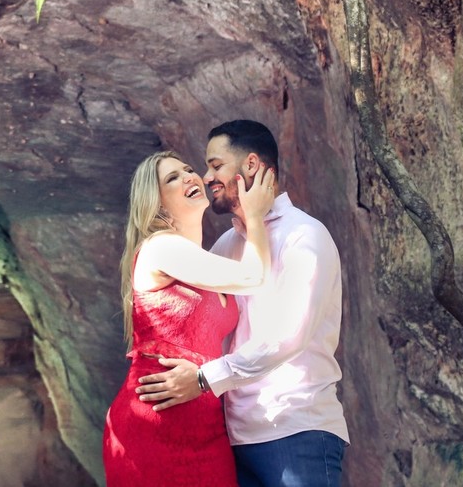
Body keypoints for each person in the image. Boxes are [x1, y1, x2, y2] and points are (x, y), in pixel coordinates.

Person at [135, 120, 350, 487]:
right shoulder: (227, 248)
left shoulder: (304, 236)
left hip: (295, 429)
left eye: (215, 166)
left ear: (250, 166)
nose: (206, 177)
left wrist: (204, 379)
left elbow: (288, 336)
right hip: (231, 439)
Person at [103, 150, 277, 487]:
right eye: (172, 178)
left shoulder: (204, 261)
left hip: (206, 426)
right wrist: (255, 215)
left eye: (186, 170)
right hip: (155, 425)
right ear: (156, 204)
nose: (189, 177)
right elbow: (254, 276)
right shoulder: (159, 247)